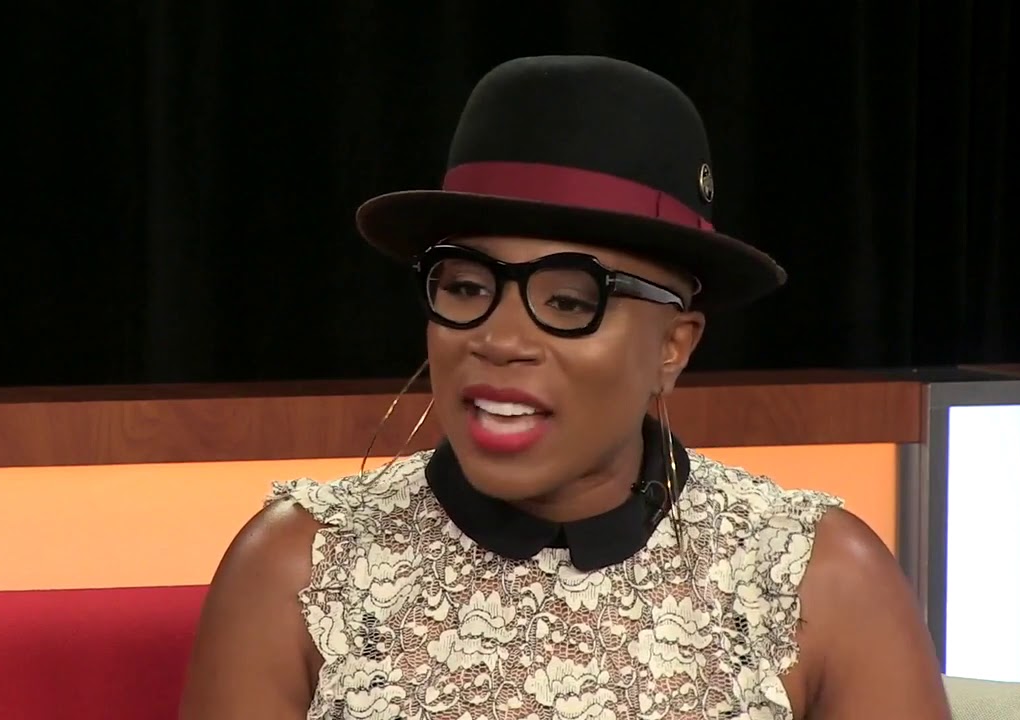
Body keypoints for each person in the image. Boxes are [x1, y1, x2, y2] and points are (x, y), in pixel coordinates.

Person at [179, 55, 951, 720]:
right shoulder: (296, 569)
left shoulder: (822, 581)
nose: (500, 339)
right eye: (466, 285)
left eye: (571, 301)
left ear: (673, 346)